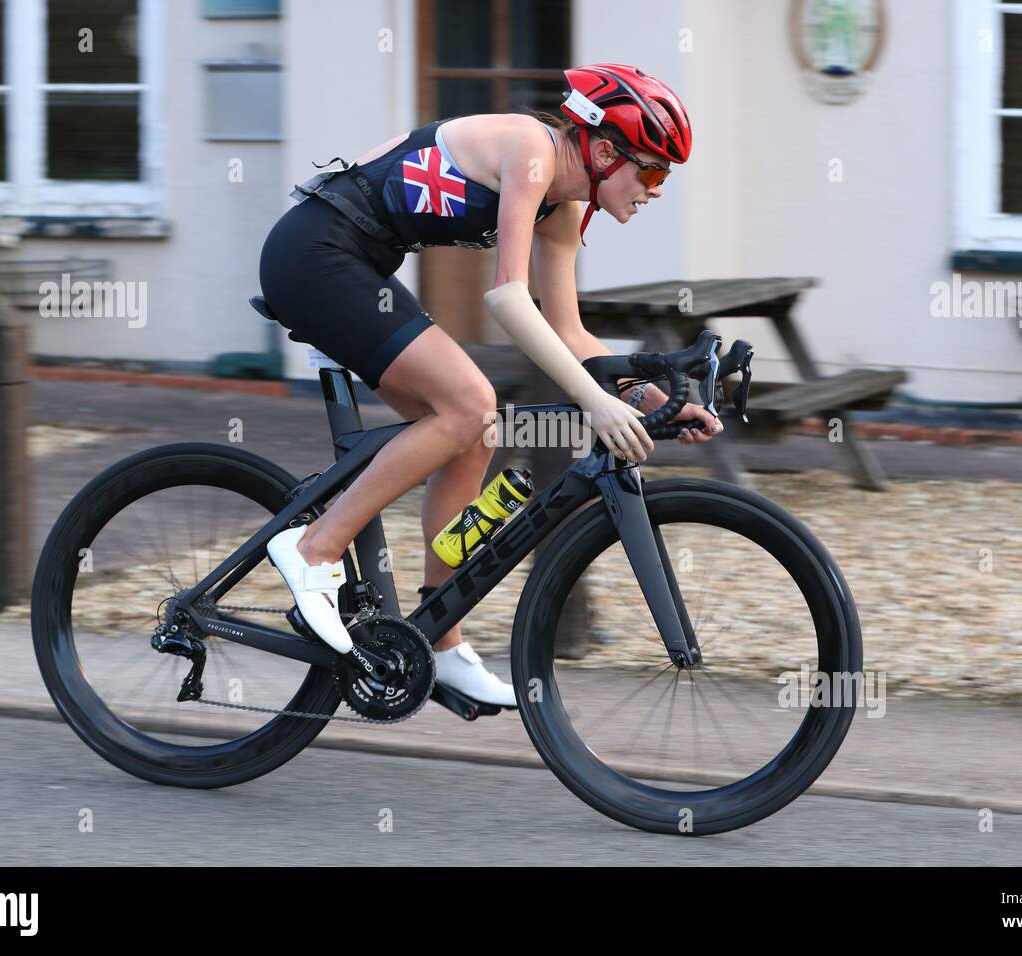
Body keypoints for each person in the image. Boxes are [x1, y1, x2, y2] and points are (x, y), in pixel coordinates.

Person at [257, 63, 720, 708]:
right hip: (314, 255)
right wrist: (594, 401)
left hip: (358, 265)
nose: (656, 190)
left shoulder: (566, 208)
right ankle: (313, 549)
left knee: (476, 429)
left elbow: (568, 333)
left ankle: (440, 641)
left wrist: (649, 395)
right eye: (652, 171)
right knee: (470, 402)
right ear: (607, 151)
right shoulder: (533, 149)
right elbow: (506, 298)